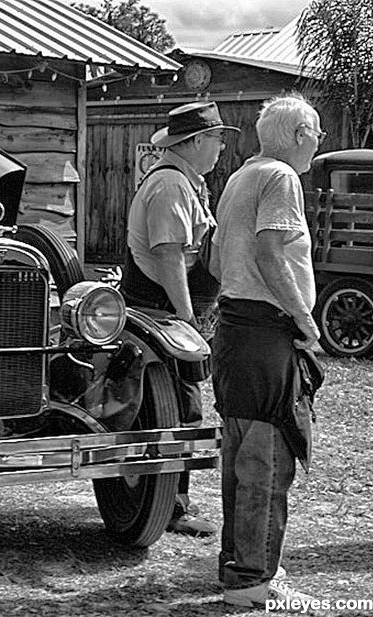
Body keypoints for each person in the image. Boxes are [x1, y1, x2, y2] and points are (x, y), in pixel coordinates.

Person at [210, 94, 322, 609]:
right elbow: (269, 248)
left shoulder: (239, 176)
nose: (319, 142)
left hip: (234, 329)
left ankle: (237, 570)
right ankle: (251, 584)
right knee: (266, 463)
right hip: (265, 333)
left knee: (241, 459)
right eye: (317, 133)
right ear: (300, 135)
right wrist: (301, 317)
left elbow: (216, 262)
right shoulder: (282, 177)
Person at [120, 101, 239, 536]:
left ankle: (169, 503)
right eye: (215, 139)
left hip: (164, 308)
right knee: (178, 410)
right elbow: (169, 255)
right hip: (160, 312)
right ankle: (171, 509)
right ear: (191, 143)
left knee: (174, 407)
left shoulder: (183, 182)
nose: (221, 147)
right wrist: (186, 317)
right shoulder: (171, 186)